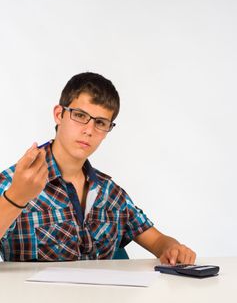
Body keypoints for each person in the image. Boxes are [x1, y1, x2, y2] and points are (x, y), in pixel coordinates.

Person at [0, 72, 196, 263]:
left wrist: (172, 248)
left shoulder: (111, 194)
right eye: (79, 115)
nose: (89, 130)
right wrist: (16, 197)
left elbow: (157, 241)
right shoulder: (11, 183)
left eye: (100, 123)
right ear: (59, 114)